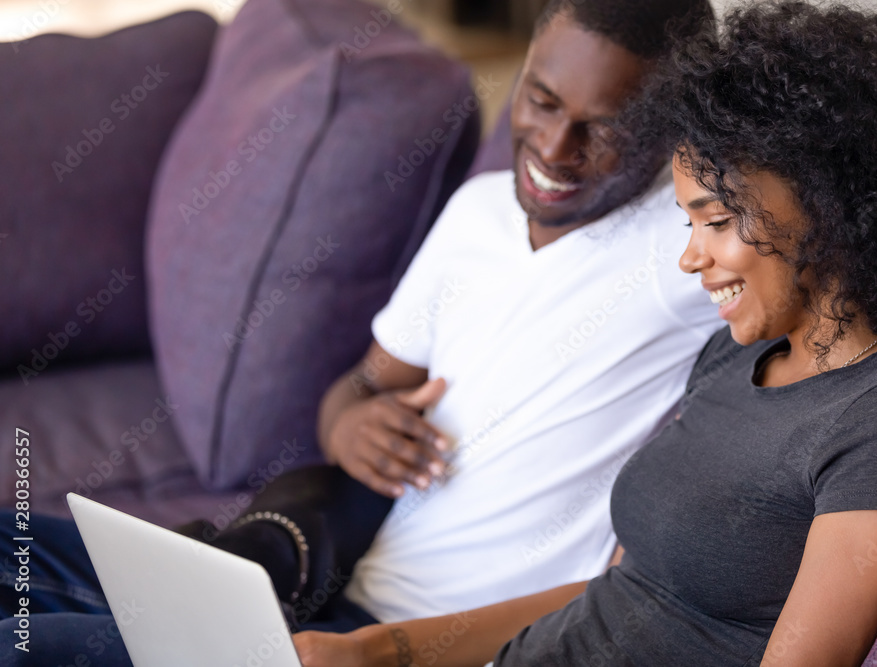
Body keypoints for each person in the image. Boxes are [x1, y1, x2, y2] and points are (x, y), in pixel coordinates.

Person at [0, 0, 722, 664]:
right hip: (315, 593)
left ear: (675, 128)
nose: (557, 147)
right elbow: (361, 386)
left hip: (413, 646)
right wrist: (352, 425)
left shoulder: (686, 244)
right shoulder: (477, 214)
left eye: (607, 127)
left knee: (24, 648)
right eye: (541, 99)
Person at [290, 2, 877, 665]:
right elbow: (614, 595)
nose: (689, 257)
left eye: (716, 221)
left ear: (831, 206)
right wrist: (379, 651)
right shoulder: (735, 355)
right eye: (688, 223)